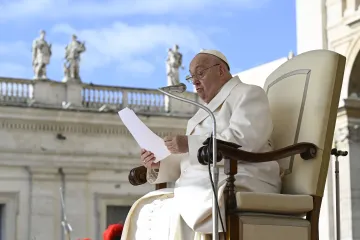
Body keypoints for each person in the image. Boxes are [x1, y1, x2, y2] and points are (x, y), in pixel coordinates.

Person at [121, 49, 282, 240]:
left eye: (201, 73)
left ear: (221, 71)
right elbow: (189, 159)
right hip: (204, 183)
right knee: (148, 209)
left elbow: (245, 140)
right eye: (191, 77)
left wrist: (189, 143)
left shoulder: (248, 94)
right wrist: (159, 163)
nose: (195, 82)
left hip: (243, 177)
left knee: (175, 212)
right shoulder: (202, 113)